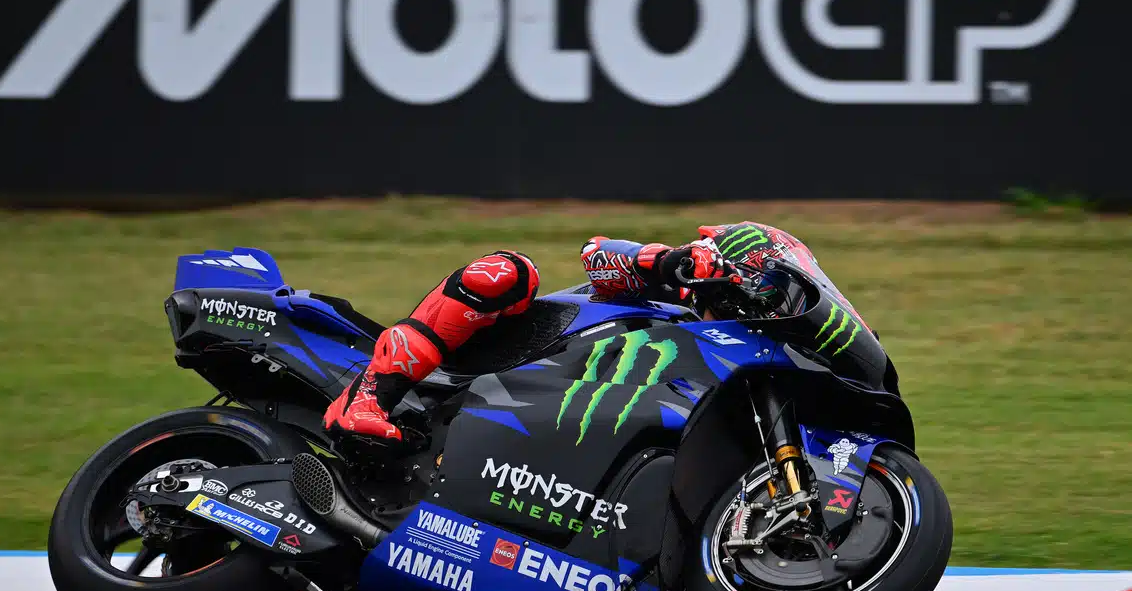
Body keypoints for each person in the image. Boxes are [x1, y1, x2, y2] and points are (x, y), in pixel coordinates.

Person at [322, 222, 859, 449]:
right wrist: (670, 262)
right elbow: (597, 253)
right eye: (770, 287)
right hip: (508, 355)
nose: (775, 303)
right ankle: (370, 393)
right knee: (508, 271)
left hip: (557, 423)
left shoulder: (732, 356)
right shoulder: (676, 291)